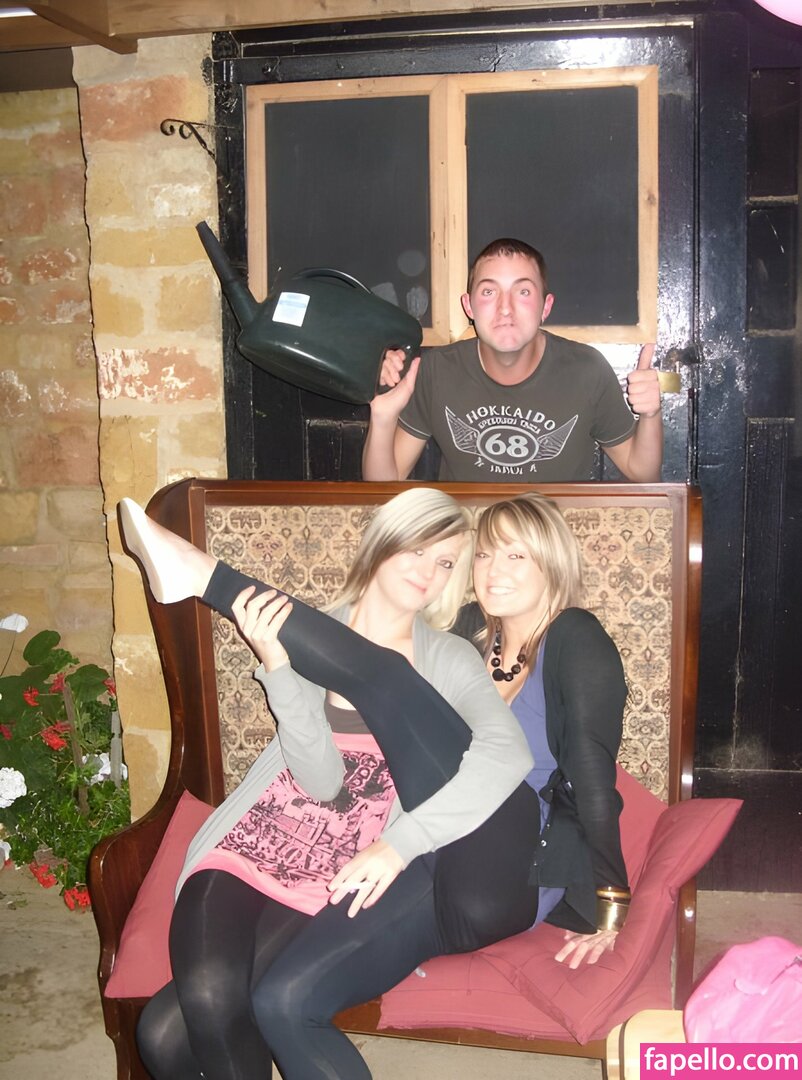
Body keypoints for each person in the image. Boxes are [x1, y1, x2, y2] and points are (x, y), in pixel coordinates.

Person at [119, 489, 540, 1080]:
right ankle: (196, 572)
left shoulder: (447, 657)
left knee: (171, 1028)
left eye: (445, 562)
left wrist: (403, 843)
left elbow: (507, 753)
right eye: (416, 549)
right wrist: (278, 667)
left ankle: (201, 574)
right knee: (167, 1030)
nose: (428, 571)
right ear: (383, 544)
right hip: (255, 838)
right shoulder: (308, 635)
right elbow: (318, 779)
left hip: (337, 860)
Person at [449, 491, 631, 967]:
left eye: (515, 556)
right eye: (484, 555)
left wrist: (611, 903)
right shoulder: (467, 630)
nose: (493, 571)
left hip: (523, 843)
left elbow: (592, 777)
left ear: (551, 563)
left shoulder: (575, 637)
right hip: (447, 826)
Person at [362, 237, 663, 483]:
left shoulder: (587, 371)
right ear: (469, 306)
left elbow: (642, 472)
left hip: (552, 536)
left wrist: (651, 414)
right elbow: (381, 486)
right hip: (467, 535)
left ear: (545, 306)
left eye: (523, 291)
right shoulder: (436, 370)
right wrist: (382, 417)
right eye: (489, 291)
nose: (505, 308)